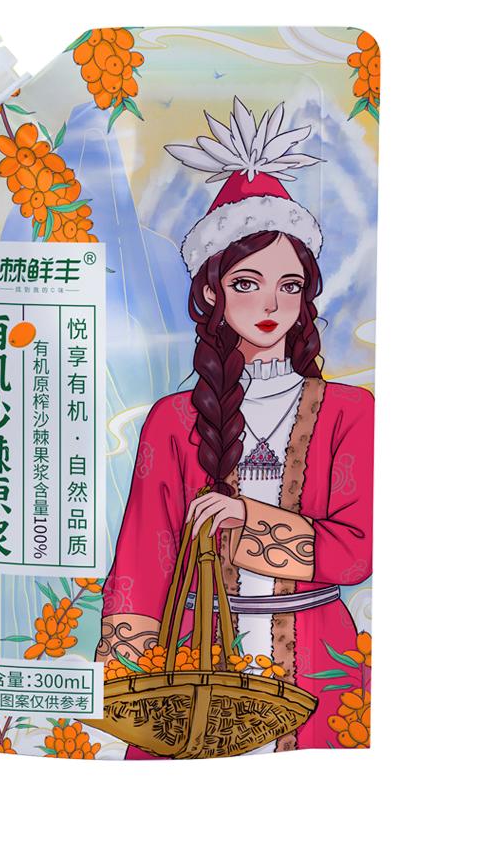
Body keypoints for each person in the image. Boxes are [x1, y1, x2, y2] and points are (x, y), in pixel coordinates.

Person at [98, 98, 374, 755]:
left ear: (308, 294)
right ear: (211, 290)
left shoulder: (351, 413)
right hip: (191, 661)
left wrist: (243, 518)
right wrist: (123, 681)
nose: (271, 303)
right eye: (247, 283)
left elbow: (358, 552)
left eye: (290, 285)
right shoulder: (173, 420)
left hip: (315, 658)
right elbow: (140, 562)